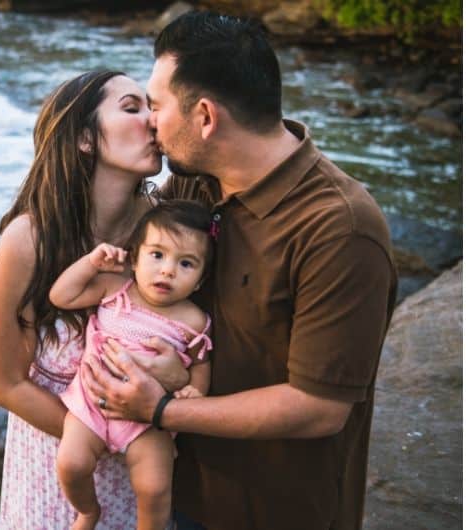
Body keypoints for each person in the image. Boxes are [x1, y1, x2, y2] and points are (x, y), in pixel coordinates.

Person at [82, 11, 398, 530]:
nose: (150, 124)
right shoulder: (194, 185)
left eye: (157, 107)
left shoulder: (340, 229)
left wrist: (160, 409)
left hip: (275, 510)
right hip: (180, 488)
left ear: (205, 117)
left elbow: (319, 407)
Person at [0, 70, 188, 529]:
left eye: (150, 107)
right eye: (132, 108)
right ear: (84, 140)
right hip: (60, 472)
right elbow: (5, 384)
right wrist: (106, 435)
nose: (153, 121)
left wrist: (176, 381)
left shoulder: (164, 235)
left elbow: (190, 333)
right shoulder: (29, 241)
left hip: (145, 471)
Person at [51, 200, 214, 530]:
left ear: (199, 281)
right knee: (70, 464)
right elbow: (62, 296)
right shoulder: (116, 289)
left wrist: (195, 391)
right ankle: (87, 512)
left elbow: (201, 363)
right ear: (134, 258)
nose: (167, 270)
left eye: (186, 263)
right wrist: (90, 263)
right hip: (92, 403)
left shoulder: (194, 320)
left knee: (154, 488)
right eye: (157, 255)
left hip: (149, 417)